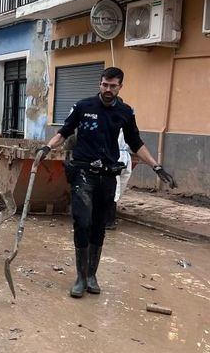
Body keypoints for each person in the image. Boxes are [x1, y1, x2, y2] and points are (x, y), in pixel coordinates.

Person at [37, 67, 176, 298]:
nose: (108, 89)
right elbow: (64, 132)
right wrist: (47, 146)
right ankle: (80, 277)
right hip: (83, 172)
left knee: (99, 225)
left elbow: (136, 142)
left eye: (113, 86)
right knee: (82, 221)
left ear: (120, 86)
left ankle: (92, 275)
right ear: (99, 84)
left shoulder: (125, 112)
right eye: (104, 85)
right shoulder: (83, 107)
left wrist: (156, 166)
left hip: (108, 176)